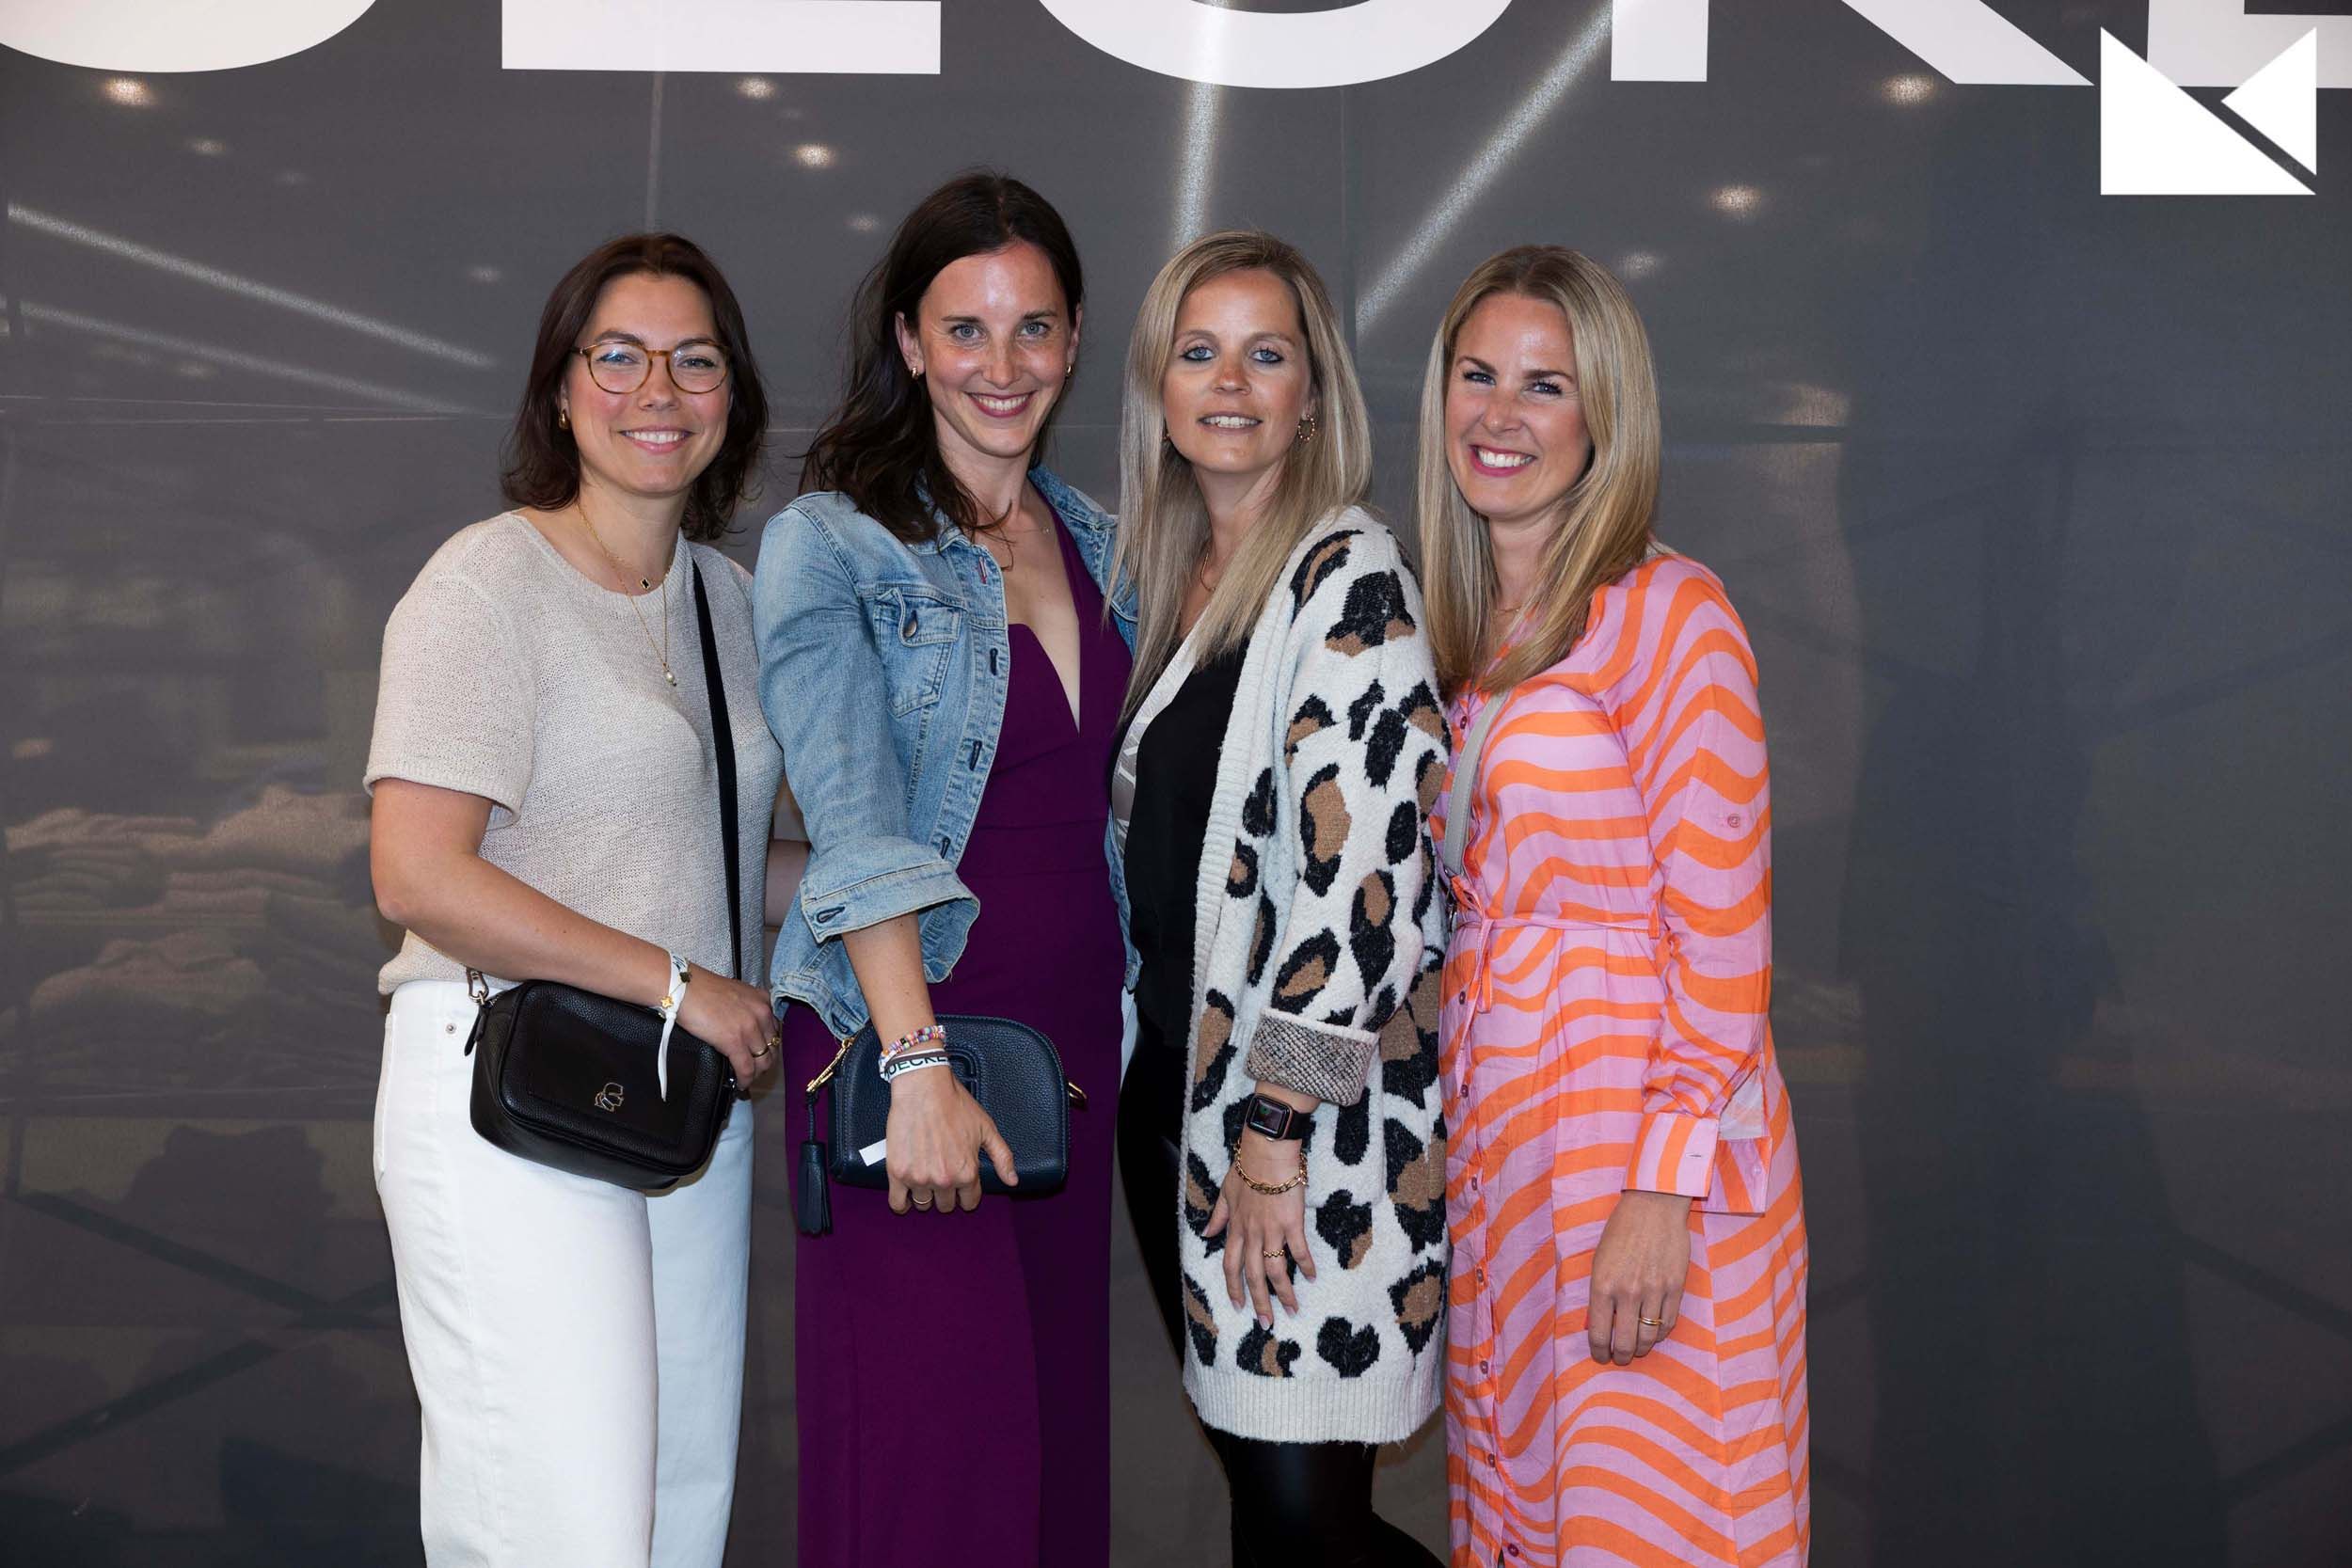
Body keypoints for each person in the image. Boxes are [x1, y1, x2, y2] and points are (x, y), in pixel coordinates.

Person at [365, 233, 791, 1567]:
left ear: (731, 398)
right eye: (618, 357)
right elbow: (419, 873)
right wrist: (678, 984)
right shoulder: (486, 582)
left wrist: (930, 888)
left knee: (674, 1518)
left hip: (677, 1101)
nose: (656, 390)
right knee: (567, 1532)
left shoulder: (728, 600)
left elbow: (717, 858)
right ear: (561, 389)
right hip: (512, 1086)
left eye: (694, 360)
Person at [755, 171, 1134, 1568]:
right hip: (909, 1043)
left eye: (1033, 327)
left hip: (1076, 1053)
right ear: (910, 342)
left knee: (1047, 1467)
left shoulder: (1104, 544)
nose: (1002, 364)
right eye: (964, 329)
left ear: (1075, 339)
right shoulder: (832, 544)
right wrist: (915, 1064)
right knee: (932, 1481)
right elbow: (856, 825)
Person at [1417, 245, 1809, 1567]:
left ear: (1606, 416)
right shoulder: (1466, 633)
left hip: (1642, 1160)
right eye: (1477, 375)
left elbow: (1726, 936)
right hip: (1508, 1159)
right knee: (1526, 1511)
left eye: (1545, 385)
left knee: (1653, 1517)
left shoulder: (1671, 613)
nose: (1499, 415)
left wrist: (1660, 1188)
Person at [1109, 230, 1452, 1568]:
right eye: (1199, 352)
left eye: (1267, 354)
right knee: (1280, 1512)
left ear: (1314, 395)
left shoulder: (1349, 582)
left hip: (1308, 1141)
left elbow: (1366, 900)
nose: (1231, 383)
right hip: (1175, 1115)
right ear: (1159, 386)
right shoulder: (1180, 583)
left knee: (1306, 1518)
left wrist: (1273, 1134)